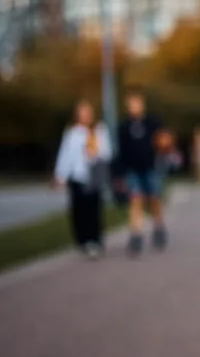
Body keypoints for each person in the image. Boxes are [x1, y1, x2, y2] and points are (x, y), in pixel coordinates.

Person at [53, 99, 111, 258]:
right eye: (81, 112)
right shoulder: (72, 133)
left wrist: (95, 153)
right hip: (77, 176)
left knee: (94, 210)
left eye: (87, 112)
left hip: (93, 176)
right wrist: (60, 175)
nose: (85, 116)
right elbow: (65, 155)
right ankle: (83, 241)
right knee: (79, 210)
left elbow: (107, 154)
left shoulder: (99, 130)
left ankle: (95, 240)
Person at [116, 88, 168, 256]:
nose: (135, 106)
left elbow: (163, 141)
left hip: (151, 167)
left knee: (154, 200)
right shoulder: (124, 126)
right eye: (131, 103)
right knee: (136, 200)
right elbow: (121, 151)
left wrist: (164, 144)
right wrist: (120, 173)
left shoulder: (152, 122)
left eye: (137, 103)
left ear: (142, 104)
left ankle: (159, 228)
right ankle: (136, 234)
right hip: (132, 169)